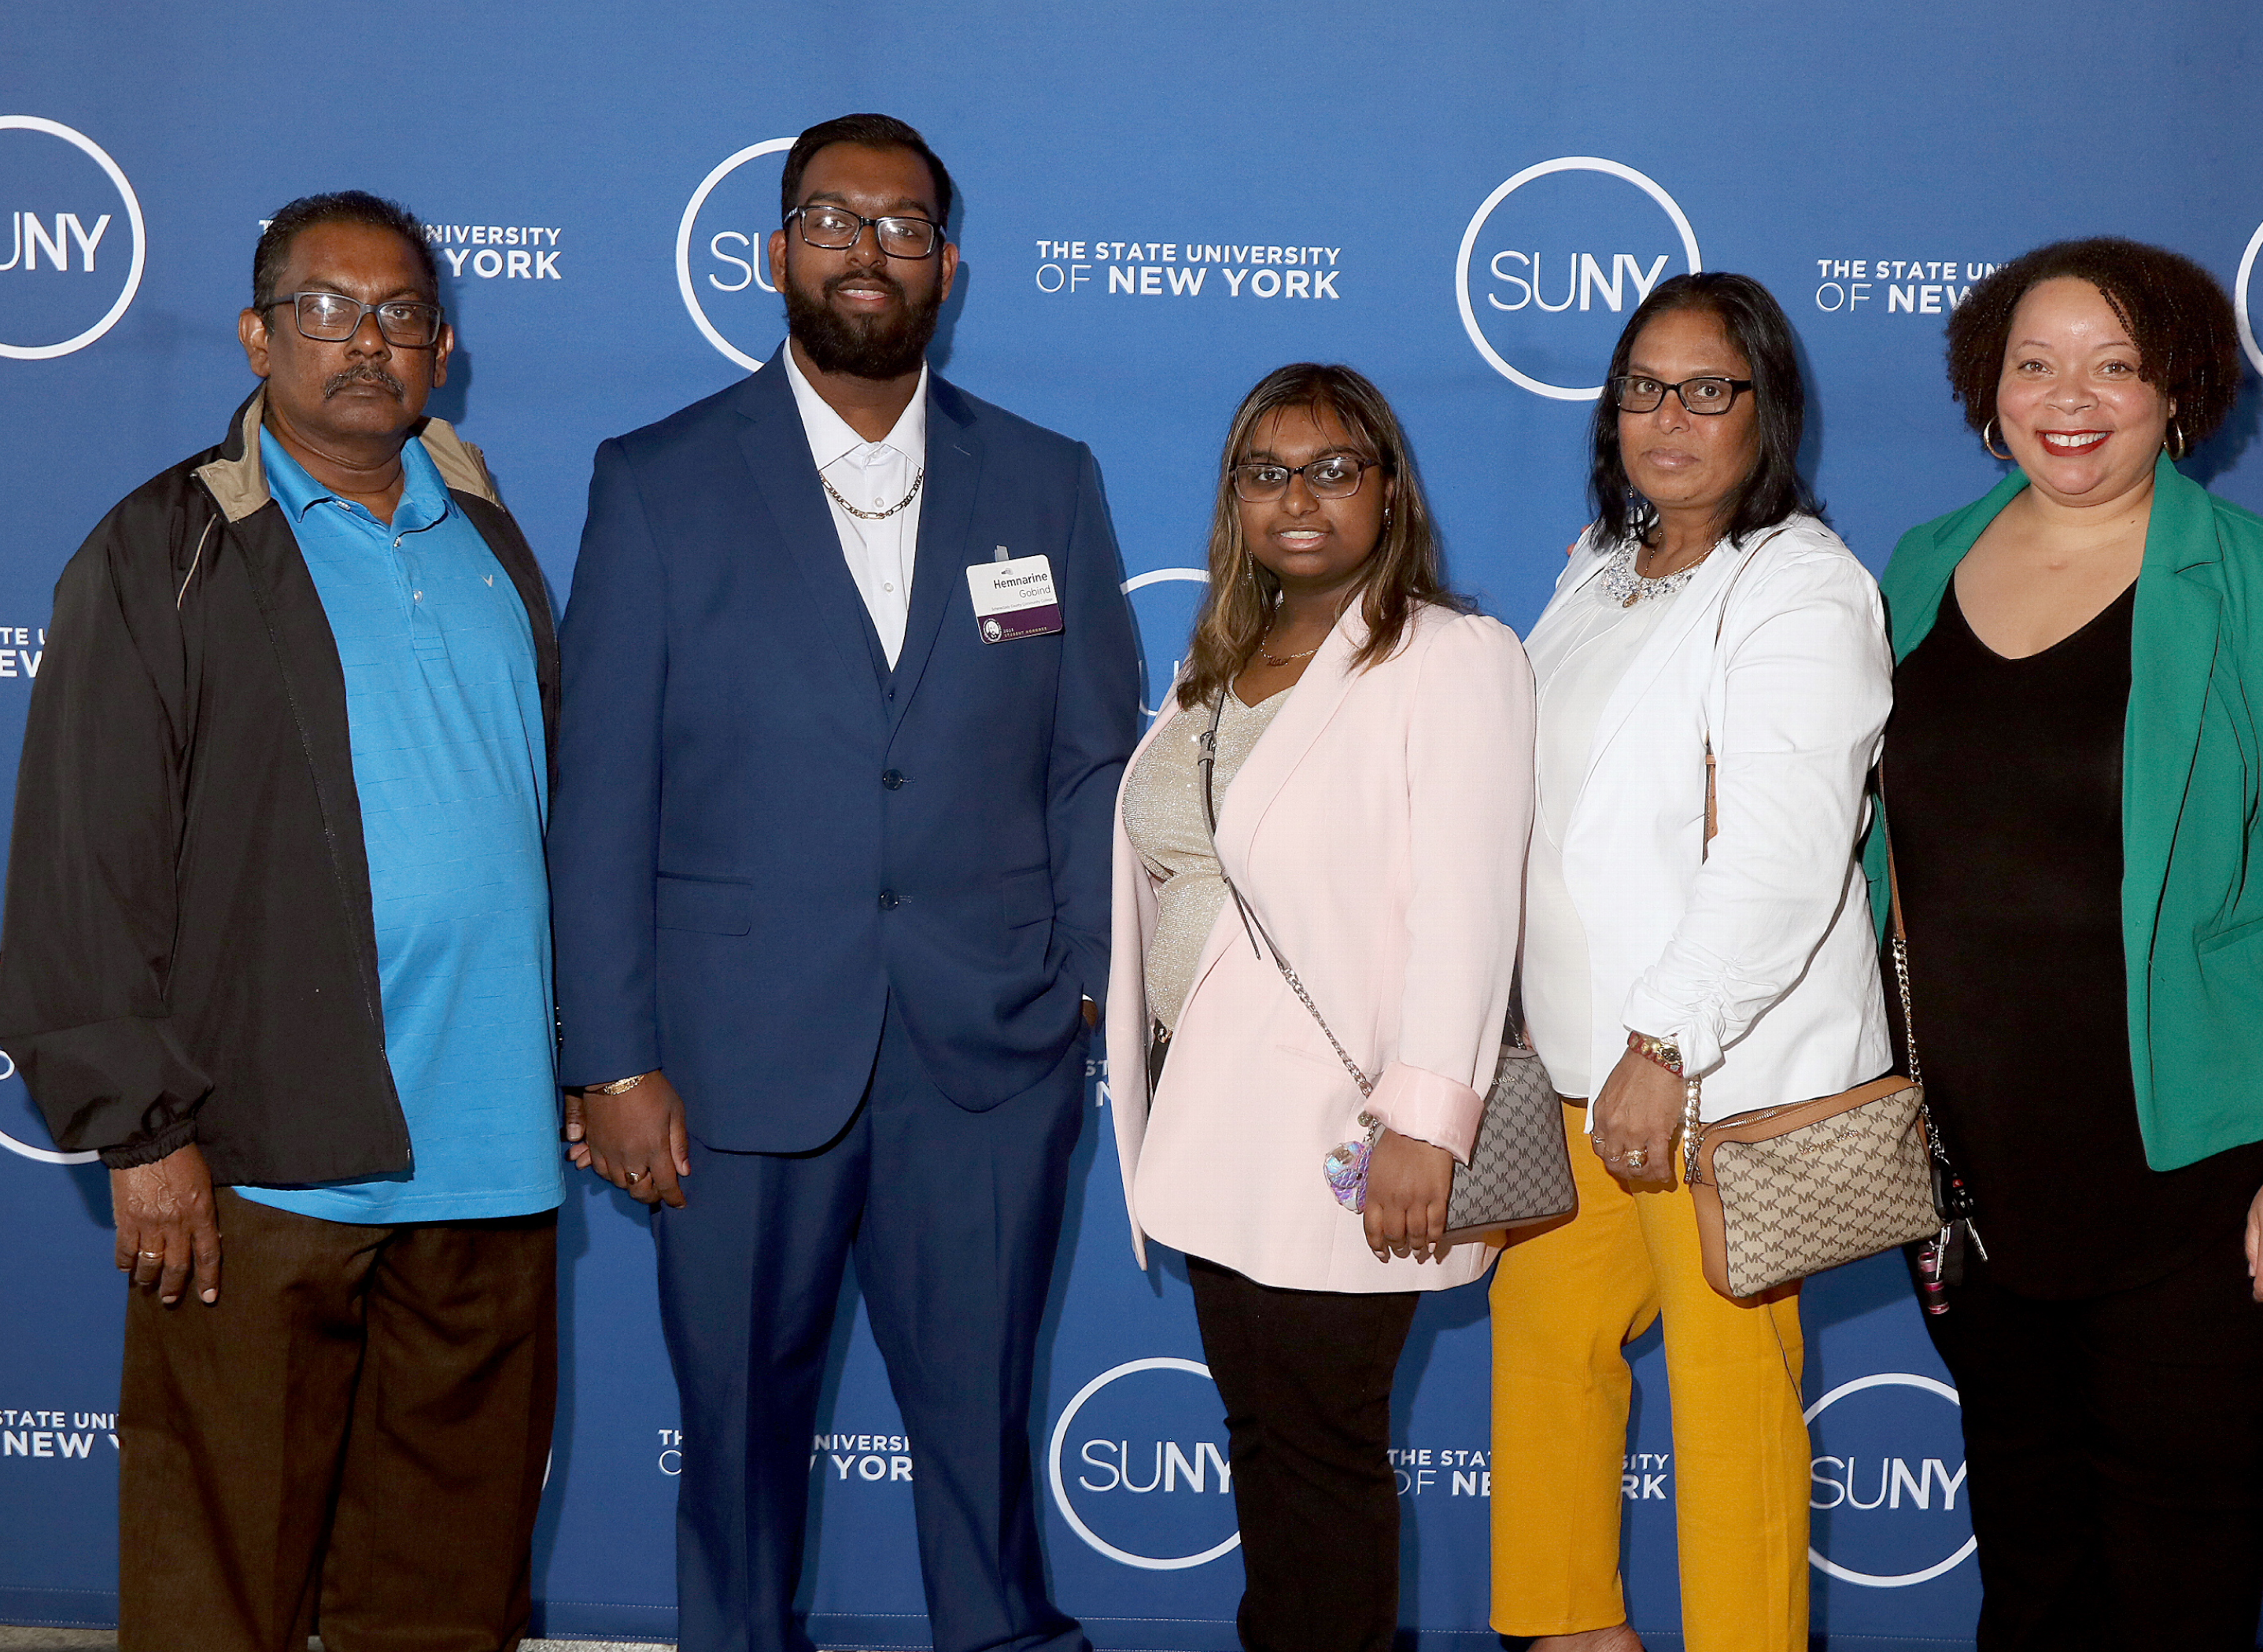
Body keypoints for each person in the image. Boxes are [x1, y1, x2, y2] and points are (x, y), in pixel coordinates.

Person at [551, 113, 1140, 1652]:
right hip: (735, 1061)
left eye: (899, 223)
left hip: (987, 1058)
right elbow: (603, 793)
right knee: (738, 1449)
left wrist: (1082, 973)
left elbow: (1089, 761)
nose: (865, 249)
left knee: (982, 1445)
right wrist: (611, 1057)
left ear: (949, 263)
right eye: (831, 218)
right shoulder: (658, 482)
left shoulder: (1049, 481)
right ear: (774, 253)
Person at [0, 190, 565, 1652]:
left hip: (488, 1157)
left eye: (397, 316)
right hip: (257, 1161)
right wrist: (142, 1131)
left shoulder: (485, 528)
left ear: (442, 346)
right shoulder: (165, 547)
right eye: (323, 309)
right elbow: (80, 861)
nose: (363, 343)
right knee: (219, 1586)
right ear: (258, 335)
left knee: (450, 1584)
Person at [1870, 237, 2263, 1650]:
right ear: (1984, 387)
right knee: (2028, 1549)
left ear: (2177, 388)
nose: (2072, 398)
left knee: (2172, 1568)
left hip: (2204, 1180)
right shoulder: (1923, 564)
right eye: (2035, 364)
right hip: (1977, 1187)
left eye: (2115, 365)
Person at [1489, 273, 1892, 1652]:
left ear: (1764, 411)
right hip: (1571, 1068)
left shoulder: (1799, 588)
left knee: (1728, 1405)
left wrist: (1665, 1046)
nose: (1669, 417)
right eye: (1642, 387)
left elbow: (1780, 857)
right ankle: (1569, 1631)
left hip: (1705, 1077)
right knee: (1545, 1347)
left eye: (1708, 389)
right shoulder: (1599, 567)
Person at [1103, 363, 1533, 1652]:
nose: (1300, 497)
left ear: (1389, 491)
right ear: (1232, 497)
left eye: (1335, 469)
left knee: (1323, 1453)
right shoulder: (1222, 659)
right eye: (1266, 471)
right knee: (1266, 1442)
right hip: (1208, 1116)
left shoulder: (1451, 656)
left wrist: (1426, 1119)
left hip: (1344, 1133)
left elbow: (1469, 906)